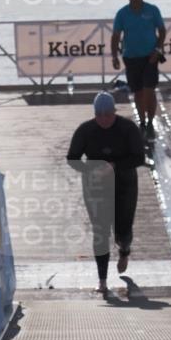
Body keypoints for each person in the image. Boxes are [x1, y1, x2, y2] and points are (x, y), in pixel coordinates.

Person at [66, 92, 146, 294]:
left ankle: (124, 250)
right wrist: (91, 169)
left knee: (123, 231)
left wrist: (114, 166)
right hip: (96, 186)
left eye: (108, 115)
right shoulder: (85, 130)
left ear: (114, 112)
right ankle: (102, 280)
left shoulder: (128, 128)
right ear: (94, 114)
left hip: (124, 184)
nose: (104, 120)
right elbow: (72, 158)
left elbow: (139, 158)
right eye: (99, 115)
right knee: (100, 232)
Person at [111, 0, 167, 138]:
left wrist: (158, 50)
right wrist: (114, 56)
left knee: (149, 89)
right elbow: (116, 35)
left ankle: (151, 120)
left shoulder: (152, 10)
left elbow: (162, 30)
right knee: (138, 91)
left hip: (150, 56)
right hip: (131, 57)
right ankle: (142, 120)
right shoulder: (122, 13)